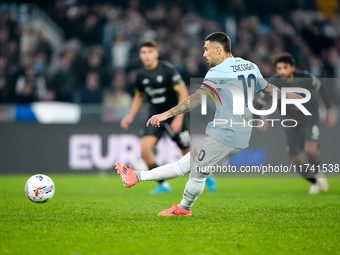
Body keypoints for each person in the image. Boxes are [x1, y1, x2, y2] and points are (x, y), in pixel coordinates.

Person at [116, 32, 301, 216]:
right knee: (184, 165)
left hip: (228, 134)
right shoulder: (250, 65)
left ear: (218, 50)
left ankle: (183, 209)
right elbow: (269, 89)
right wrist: (288, 96)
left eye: (206, 49)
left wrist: (165, 114)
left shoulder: (218, 72)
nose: (204, 54)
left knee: (197, 174)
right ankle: (137, 176)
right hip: (238, 132)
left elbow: (196, 99)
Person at [121, 40, 217, 194]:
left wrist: (179, 118)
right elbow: (139, 96)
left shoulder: (168, 70)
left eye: (150, 52)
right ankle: (163, 185)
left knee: (187, 153)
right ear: (140, 55)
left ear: (156, 53)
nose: (147, 56)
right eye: (144, 53)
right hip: (155, 117)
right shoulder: (140, 75)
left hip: (173, 115)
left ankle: (207, 175)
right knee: (145, 149)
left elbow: (183, 92)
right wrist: (130, 116)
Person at [255, 52, 336, 194]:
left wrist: (329, 111)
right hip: (290, 121)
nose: (282, 71)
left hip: (309, 116)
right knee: (296, 161)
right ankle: (314, 181)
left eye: (285, 68)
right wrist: (259, 120)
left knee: (310, 149)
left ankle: (317, 173)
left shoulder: (304, 78)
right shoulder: (272, 83)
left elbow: (322, 89)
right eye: (279, 68)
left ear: (292, 68)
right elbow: (259, 104)